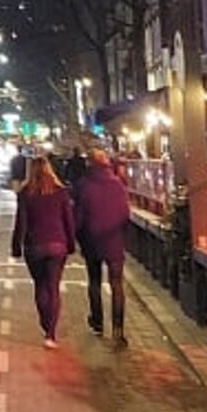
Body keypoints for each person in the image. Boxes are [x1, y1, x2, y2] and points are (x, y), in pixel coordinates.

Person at [11, 155, 75, 349]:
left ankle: (45, 322)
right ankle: (51, 333)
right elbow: (68, 221)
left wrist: (16, 245)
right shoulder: (61, 192)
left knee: (40, 286)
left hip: (35, 246)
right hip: (58, 244)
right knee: (53, 287)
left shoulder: (25, 193)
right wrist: (71, 243)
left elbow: (21, 222)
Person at [73, 148, 132, 346]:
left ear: (89, 163)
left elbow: (78, 216)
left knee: (94, 281)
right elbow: (125, 213)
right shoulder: (117, 184)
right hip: (114, 241)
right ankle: (118, 329)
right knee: (117, 284)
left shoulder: (83, 185)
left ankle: (97, 321)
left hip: (92, 240)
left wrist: (77, 236)